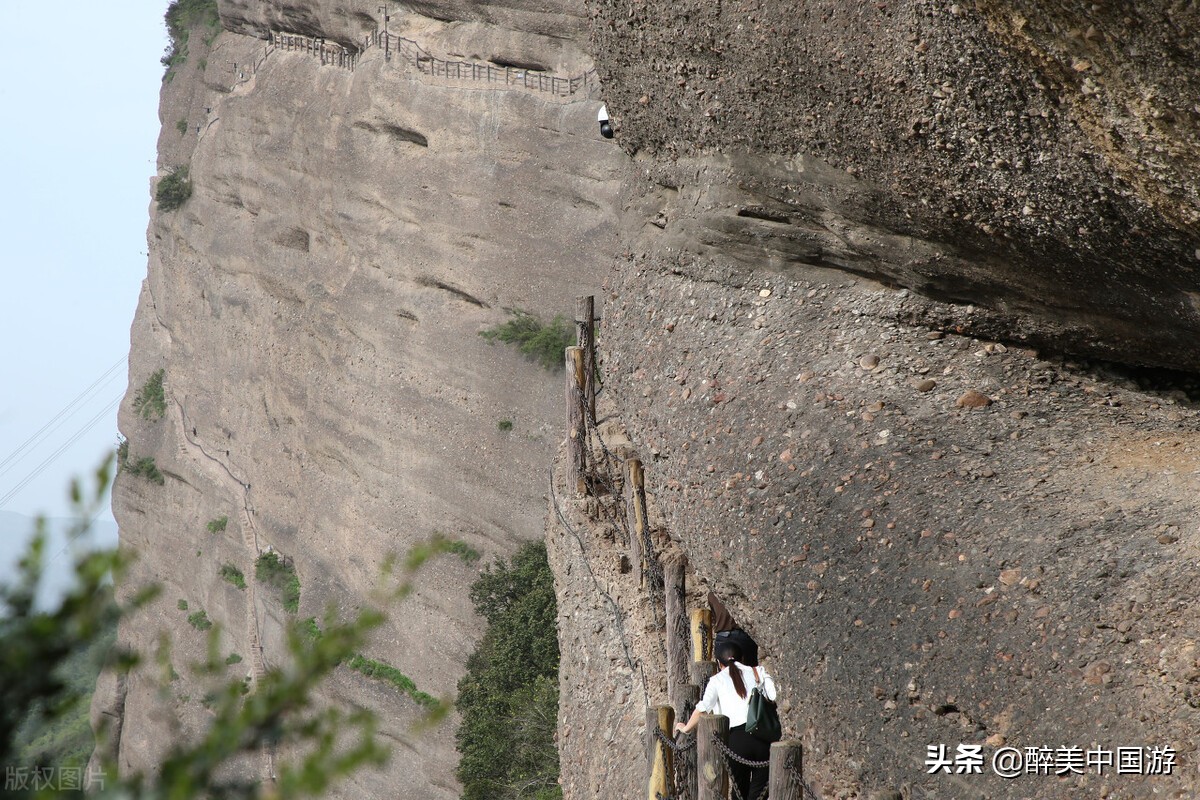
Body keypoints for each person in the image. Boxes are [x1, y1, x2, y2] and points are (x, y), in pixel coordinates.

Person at [674, 641, 776, 800]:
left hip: (736, 742)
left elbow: (703, 708)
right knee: (760, 794)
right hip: (762, 738)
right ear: (742, 658)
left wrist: (686, 727)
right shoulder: (757, 671)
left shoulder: (716, 680)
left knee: (738, 793)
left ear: (718, 663)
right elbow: (773, 695)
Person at [709, 591, 759, 666]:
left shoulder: (712, 595)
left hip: (722, 636)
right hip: (742, 636)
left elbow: (715, 616)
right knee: (749, 670)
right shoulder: (742, 590)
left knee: (724, 672)